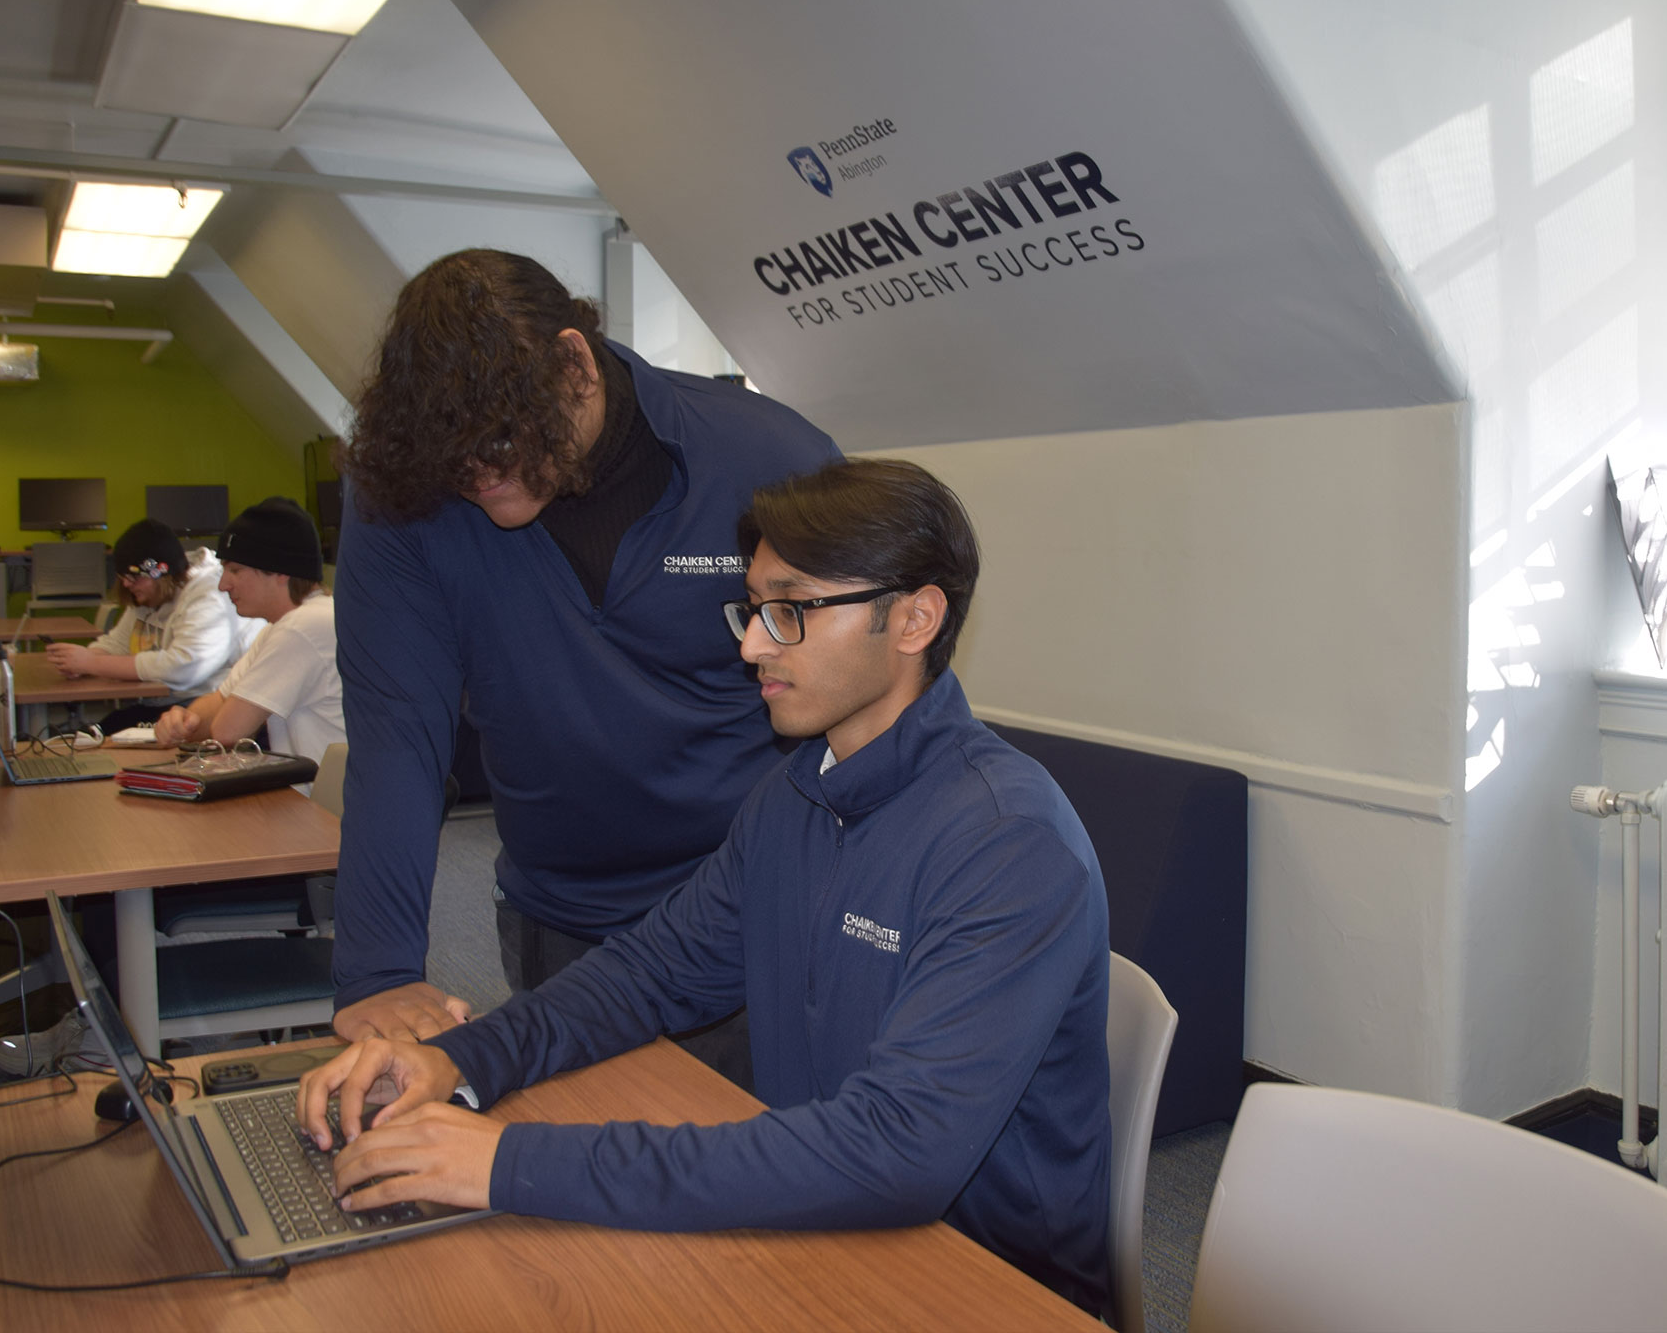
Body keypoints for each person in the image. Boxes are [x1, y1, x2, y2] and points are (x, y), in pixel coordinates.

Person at [298, 460, 1113, 1313]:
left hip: (981, 1290)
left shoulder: (1006, 843)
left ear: (914, 618)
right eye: (755, 609)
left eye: (791, 611)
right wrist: (452, 1063)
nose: (752, 644)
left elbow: (896, 1154)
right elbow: (649, 976)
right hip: (825, 1229)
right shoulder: (798, 792)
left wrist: (507, 1162)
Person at [330, 249, 839, 1079]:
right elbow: (396, 735)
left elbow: (870, 691)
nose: (477, 476)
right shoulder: (404, 489)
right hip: (563, 916)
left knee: (766, 1191)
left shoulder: (765, 456)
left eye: (496, 440)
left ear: (574, 364)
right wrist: (380, 971)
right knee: (575, 1187)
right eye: (451, 459)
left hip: (758, 912)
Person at [151, 496, 343, 776]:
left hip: (322, 812)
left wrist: (199, 723)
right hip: (307, 801)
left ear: (278, 572)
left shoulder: (304, 627)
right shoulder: (279, 628)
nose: (223, 584)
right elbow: (216, 704)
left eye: (235, 570)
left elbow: (226, 731)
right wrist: (182, 722)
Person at [45, 518, 260, 732]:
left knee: (102, 738)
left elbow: (183, 667)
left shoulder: (211, 596)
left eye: (133, 577)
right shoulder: (149, 592)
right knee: (98, 732)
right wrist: (81, 660)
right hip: (164, 703)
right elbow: (118, 643)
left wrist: (91, 664)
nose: (127, 584)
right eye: (122, 577)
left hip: (209, 706)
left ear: (161, 575)